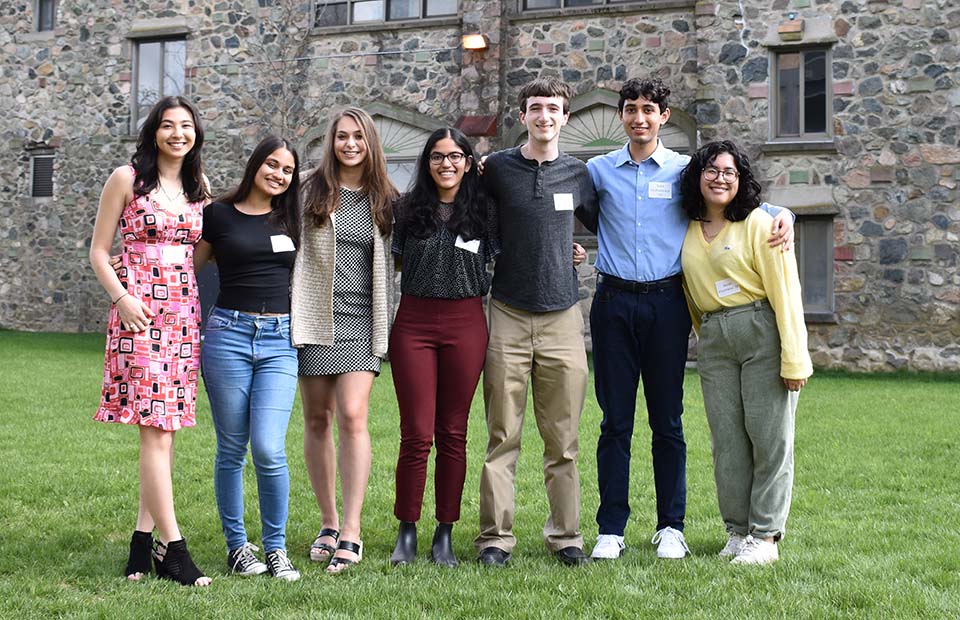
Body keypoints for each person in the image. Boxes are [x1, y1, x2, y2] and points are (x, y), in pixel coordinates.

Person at [585, 78, 794, 561]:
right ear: (621, 116)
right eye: (631, 109)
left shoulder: (686, 169)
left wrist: (785, 214)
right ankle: (611, 528)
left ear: (664, 116)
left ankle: (670, 526)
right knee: (615, 422)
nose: (640, 118)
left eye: (649, 110)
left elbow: (738, 196)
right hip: (613, 303)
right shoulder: (597, 170)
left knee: (668, 421)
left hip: (667, 305)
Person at [475, 77, 598, 567]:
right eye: (535, 108)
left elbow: (603, 225)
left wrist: (577, 253)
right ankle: (494, 540)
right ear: (521, 115)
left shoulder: (580, 173)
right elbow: (472, 217)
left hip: (563, 315)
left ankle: (566, 537)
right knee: (502, 434)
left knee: (563, 438)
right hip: (506, 310)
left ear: (566, 117)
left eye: (553, 108)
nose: (544, 116)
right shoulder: (497, 170)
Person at [89, 96, 211, 586]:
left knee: (166, 430)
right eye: (168, 125)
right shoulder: (126, 179)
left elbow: (197, 254)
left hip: (181, 316)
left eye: (186, 126)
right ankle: (174, 549)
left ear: (195, 134)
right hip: (137, 316)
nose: (178, 134)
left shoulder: (199, 187)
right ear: (154, 132)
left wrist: (174, 281)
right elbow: (99, 251)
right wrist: (122, 297)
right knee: (154, 430)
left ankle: (142, 543)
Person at [679, 140, 812, 565]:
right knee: (728, 442)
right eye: (712, 170)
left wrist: (795, 358)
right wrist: (707, 334)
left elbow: (786, 292)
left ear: (741, 180)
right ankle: (737, 532)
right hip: (715, 339)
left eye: (730, 172)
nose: (720, 178)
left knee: (769, 437)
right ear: (697, 177)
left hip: (762, 332)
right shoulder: (686, 227)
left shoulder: (760, 223)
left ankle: (766, 536)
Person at [291, 107, 397, 574]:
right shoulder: (309, 189)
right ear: (331, 142)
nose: (349, 144)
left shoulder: (387, 197)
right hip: (316, 318)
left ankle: (352, 528)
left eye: (358, 137)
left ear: (370, 143)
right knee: (318, 418)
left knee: (353, 416)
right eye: (341, 136)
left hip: (361, 318)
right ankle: (329, 521)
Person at [388, 128, 497, 568]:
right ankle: (407, 531)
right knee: (416, 434)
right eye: (437, 156)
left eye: (455, 156)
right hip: (413, 323)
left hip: (466, 323)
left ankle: (445, 532)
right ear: (426, 162)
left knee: (453, 433)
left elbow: (509, 256)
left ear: (469, 162)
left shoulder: (486, 210)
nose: (446, 164)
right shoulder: (406, 210)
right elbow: (389, 261)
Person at [198, 136, 302, 581]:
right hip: (227, 336)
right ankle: (238, 546)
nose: (279, 174)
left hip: (280, 339)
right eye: (272, 165)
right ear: (255, 164)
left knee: (268, 447)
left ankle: (276, 548)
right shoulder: (217, 214)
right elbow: (187, 270)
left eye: (288, 170)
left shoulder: (294, 217)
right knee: (231, 448)